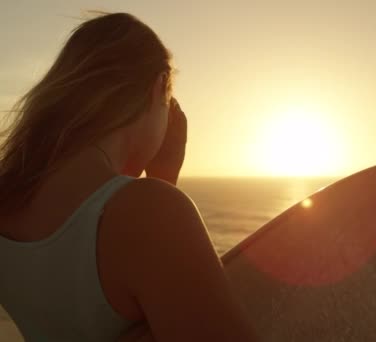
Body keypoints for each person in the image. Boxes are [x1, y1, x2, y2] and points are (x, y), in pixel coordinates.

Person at [0, 12, 258, 341]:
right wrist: (160, 192)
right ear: (160, 86)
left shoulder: (9, 200)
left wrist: (161, 181)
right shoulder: (151, 213)